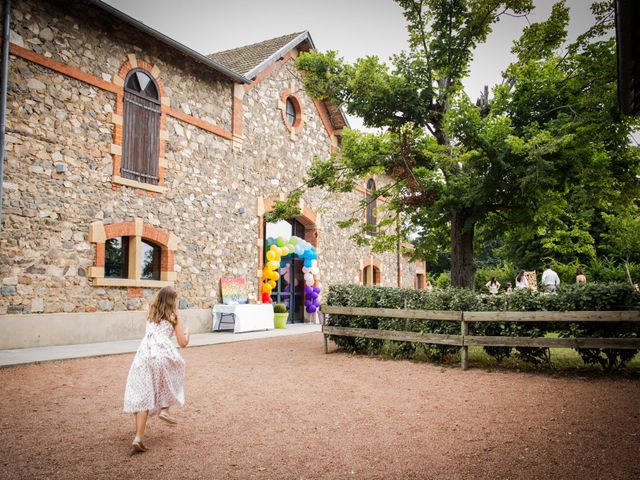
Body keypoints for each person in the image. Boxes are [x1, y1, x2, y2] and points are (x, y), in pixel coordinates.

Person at [124, 286, 190, 453]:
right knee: (173, 375)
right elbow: (182, 343)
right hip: (162, 355)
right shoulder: (174, 317)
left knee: (144, 394)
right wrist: (188, 334)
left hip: (144, 356)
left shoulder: (151, 315)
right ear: (172, 301)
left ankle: (138, 437)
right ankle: (165, 409)